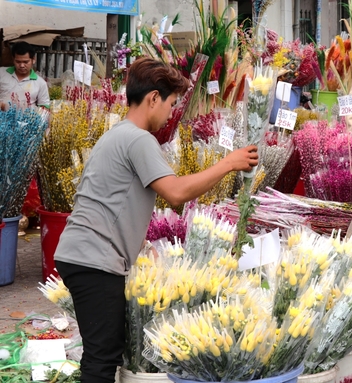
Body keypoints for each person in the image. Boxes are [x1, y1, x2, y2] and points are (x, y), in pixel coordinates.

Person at [53, 58, 259, 383]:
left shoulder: (117, 134)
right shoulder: (138, 139)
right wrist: (228, 163)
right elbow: (175, 193)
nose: (170, 113)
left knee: (102, 351)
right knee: (102, 358)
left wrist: (138, 241)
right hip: (95, 260)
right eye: (171, 104)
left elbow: (111, 199)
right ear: (152, 99)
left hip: (83, 254)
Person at [0, 41, 50, 111]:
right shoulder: (1, 73)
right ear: (13, 59)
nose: (22, 66)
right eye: (18, 62)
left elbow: (44, 108)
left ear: (33, 60)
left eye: (26, 62)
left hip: (26, 121)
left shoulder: (40, 83)